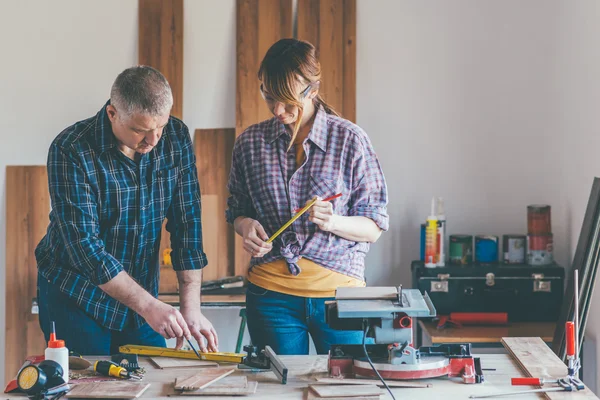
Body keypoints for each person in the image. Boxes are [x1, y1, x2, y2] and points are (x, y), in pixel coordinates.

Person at [36, 66, 218, 355]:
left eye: (160, 127)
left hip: (140, 295)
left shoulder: (176, 137)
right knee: (90, 388)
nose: (153, 141)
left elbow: (188, 222)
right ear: (112, 114)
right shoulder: (71, 149)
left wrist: (190, 307)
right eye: (140, 130)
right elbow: (85, 249)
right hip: (77, 294)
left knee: (152, 382)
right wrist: (150, 306)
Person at [226, 38, 389, 354]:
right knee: (280, 389)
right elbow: (237, 209)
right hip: (271, 297)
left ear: (312, 90)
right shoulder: (250, 144)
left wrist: (334, 221)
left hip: (341, 299)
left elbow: (375, 225)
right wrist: (245, 226)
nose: (277, 110)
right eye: (269, 96)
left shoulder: (350, 140)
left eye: (288, 101)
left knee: (349, 389)